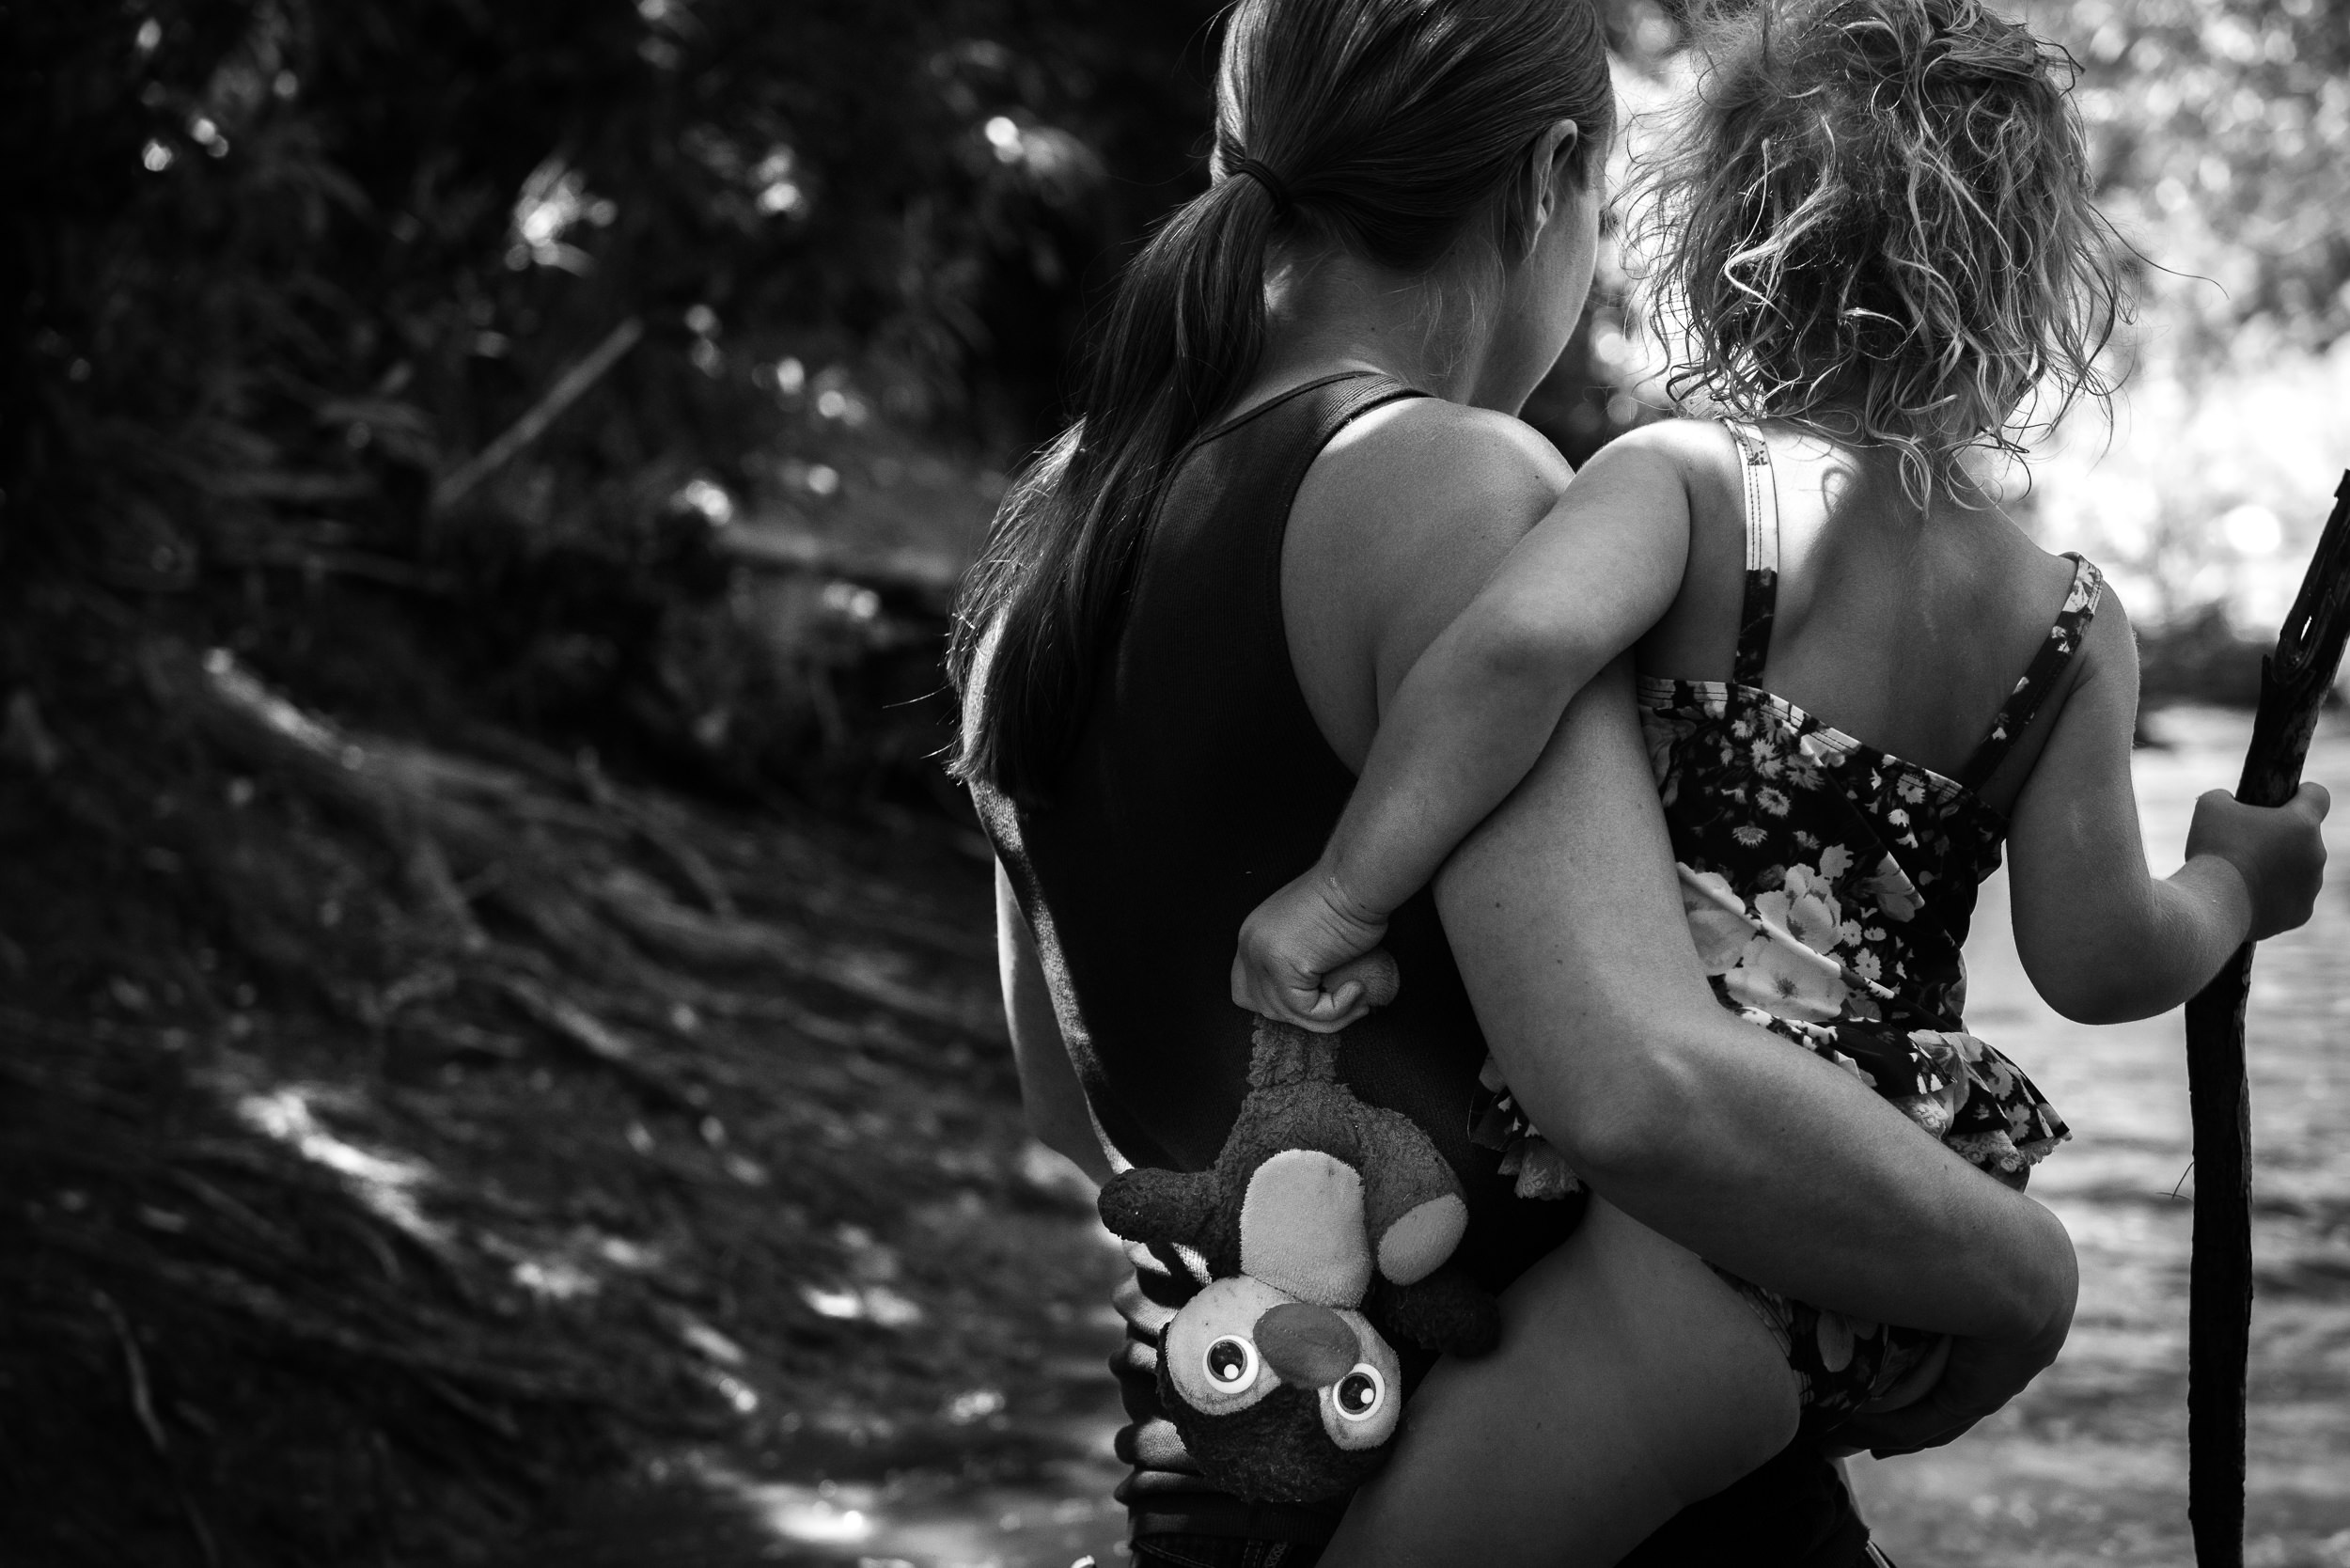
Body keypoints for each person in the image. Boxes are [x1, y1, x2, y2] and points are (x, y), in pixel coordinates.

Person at [952, 0, 2086, 1563]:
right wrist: (2021, 1277)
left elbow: (1073, 1106)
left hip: (1230, 1479)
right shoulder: (1448, 489)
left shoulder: (1050, 544)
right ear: (1551, 177)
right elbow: (1634, 1089)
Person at [1227, 0, 2331, 1560]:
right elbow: (2096, 965)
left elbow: (1511, 655)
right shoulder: (2069, 624)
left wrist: (1344, 890)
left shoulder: (1697, 488)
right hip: (1885, 1231)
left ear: (1722, 241)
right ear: (2029, 295)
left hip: (1690, 1233)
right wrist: (2239, 883)